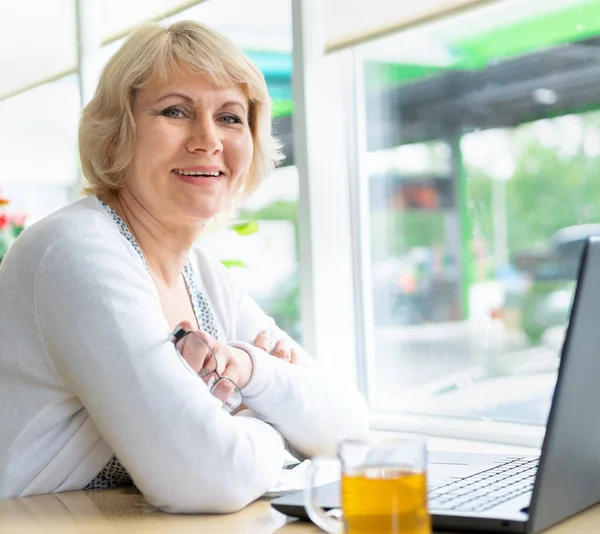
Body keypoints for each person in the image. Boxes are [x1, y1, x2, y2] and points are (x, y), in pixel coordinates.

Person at [0, 20, 369, 513]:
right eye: (175, 111)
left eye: (232, 118)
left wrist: (255, 373)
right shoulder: (75, 251)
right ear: (117, 136)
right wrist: (273, 428)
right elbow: (208, 477)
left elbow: (352, 431)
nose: (208, 139)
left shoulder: (205, 278)